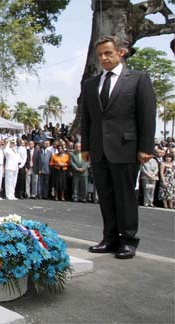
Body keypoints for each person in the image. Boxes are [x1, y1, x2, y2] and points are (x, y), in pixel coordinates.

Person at [81, 35, 156, 259]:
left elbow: (147, 114)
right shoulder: (91, 83)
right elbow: (87, 118)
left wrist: (146, 147)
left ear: (120, 53)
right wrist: (86, 146)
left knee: (125, 196)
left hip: (126, 147)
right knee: (105, 195)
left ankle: (128, 240)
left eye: (108, 53)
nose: (104, 58)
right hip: (98, 148)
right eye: (100, 54)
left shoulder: (138, 79)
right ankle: (110, 238)